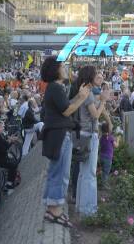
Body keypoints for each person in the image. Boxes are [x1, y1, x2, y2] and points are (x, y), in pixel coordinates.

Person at [41, 57, 90, 228]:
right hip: (60, 136)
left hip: (57, 135)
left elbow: (66, 105)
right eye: (62, 66)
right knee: (60, 174)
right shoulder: (55, 87)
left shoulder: (54, 88)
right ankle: (55, 212)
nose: (64, 68)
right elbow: (67, 110)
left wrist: (78, 95)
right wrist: (82, 98)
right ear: (55, 69)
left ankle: (51, 207)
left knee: (56, 172)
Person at [75, 66, 110, 216]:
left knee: (83, 173)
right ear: (90, 76)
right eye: (96, 74)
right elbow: (95, 115)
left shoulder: (84, 92)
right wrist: (103, 100)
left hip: (83, 135)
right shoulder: (88, 94)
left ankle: (81, 206)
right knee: (90, 173)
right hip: (89, 135)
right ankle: (89, 209)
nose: (98, 77)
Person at [0, 120, 19, 194]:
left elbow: (4, 144)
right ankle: (9, 185)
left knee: (12, 161)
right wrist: (11, 141)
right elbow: (3, 149)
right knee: (13, 165)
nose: (4, 127)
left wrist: (10, 140)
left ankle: (10, 178)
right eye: (2, 126)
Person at [100, 122, 118, 187]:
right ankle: (104, 185)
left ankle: (101, 182)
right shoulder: (110, 137)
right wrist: (118, 140)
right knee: (106, 172)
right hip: (108, 158)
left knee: (102, 170)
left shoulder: (101, 137)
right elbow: (116, 146)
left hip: (101, 156)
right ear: (109, 129)